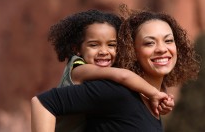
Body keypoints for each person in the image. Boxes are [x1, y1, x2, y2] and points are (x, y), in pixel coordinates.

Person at [31, 8, 200, 132]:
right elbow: (43, 103)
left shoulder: (148, 103)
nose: (162, 49)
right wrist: (154, 94)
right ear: (131, 51)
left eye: (168, 41)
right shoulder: (115, 91)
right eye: (149, 42)